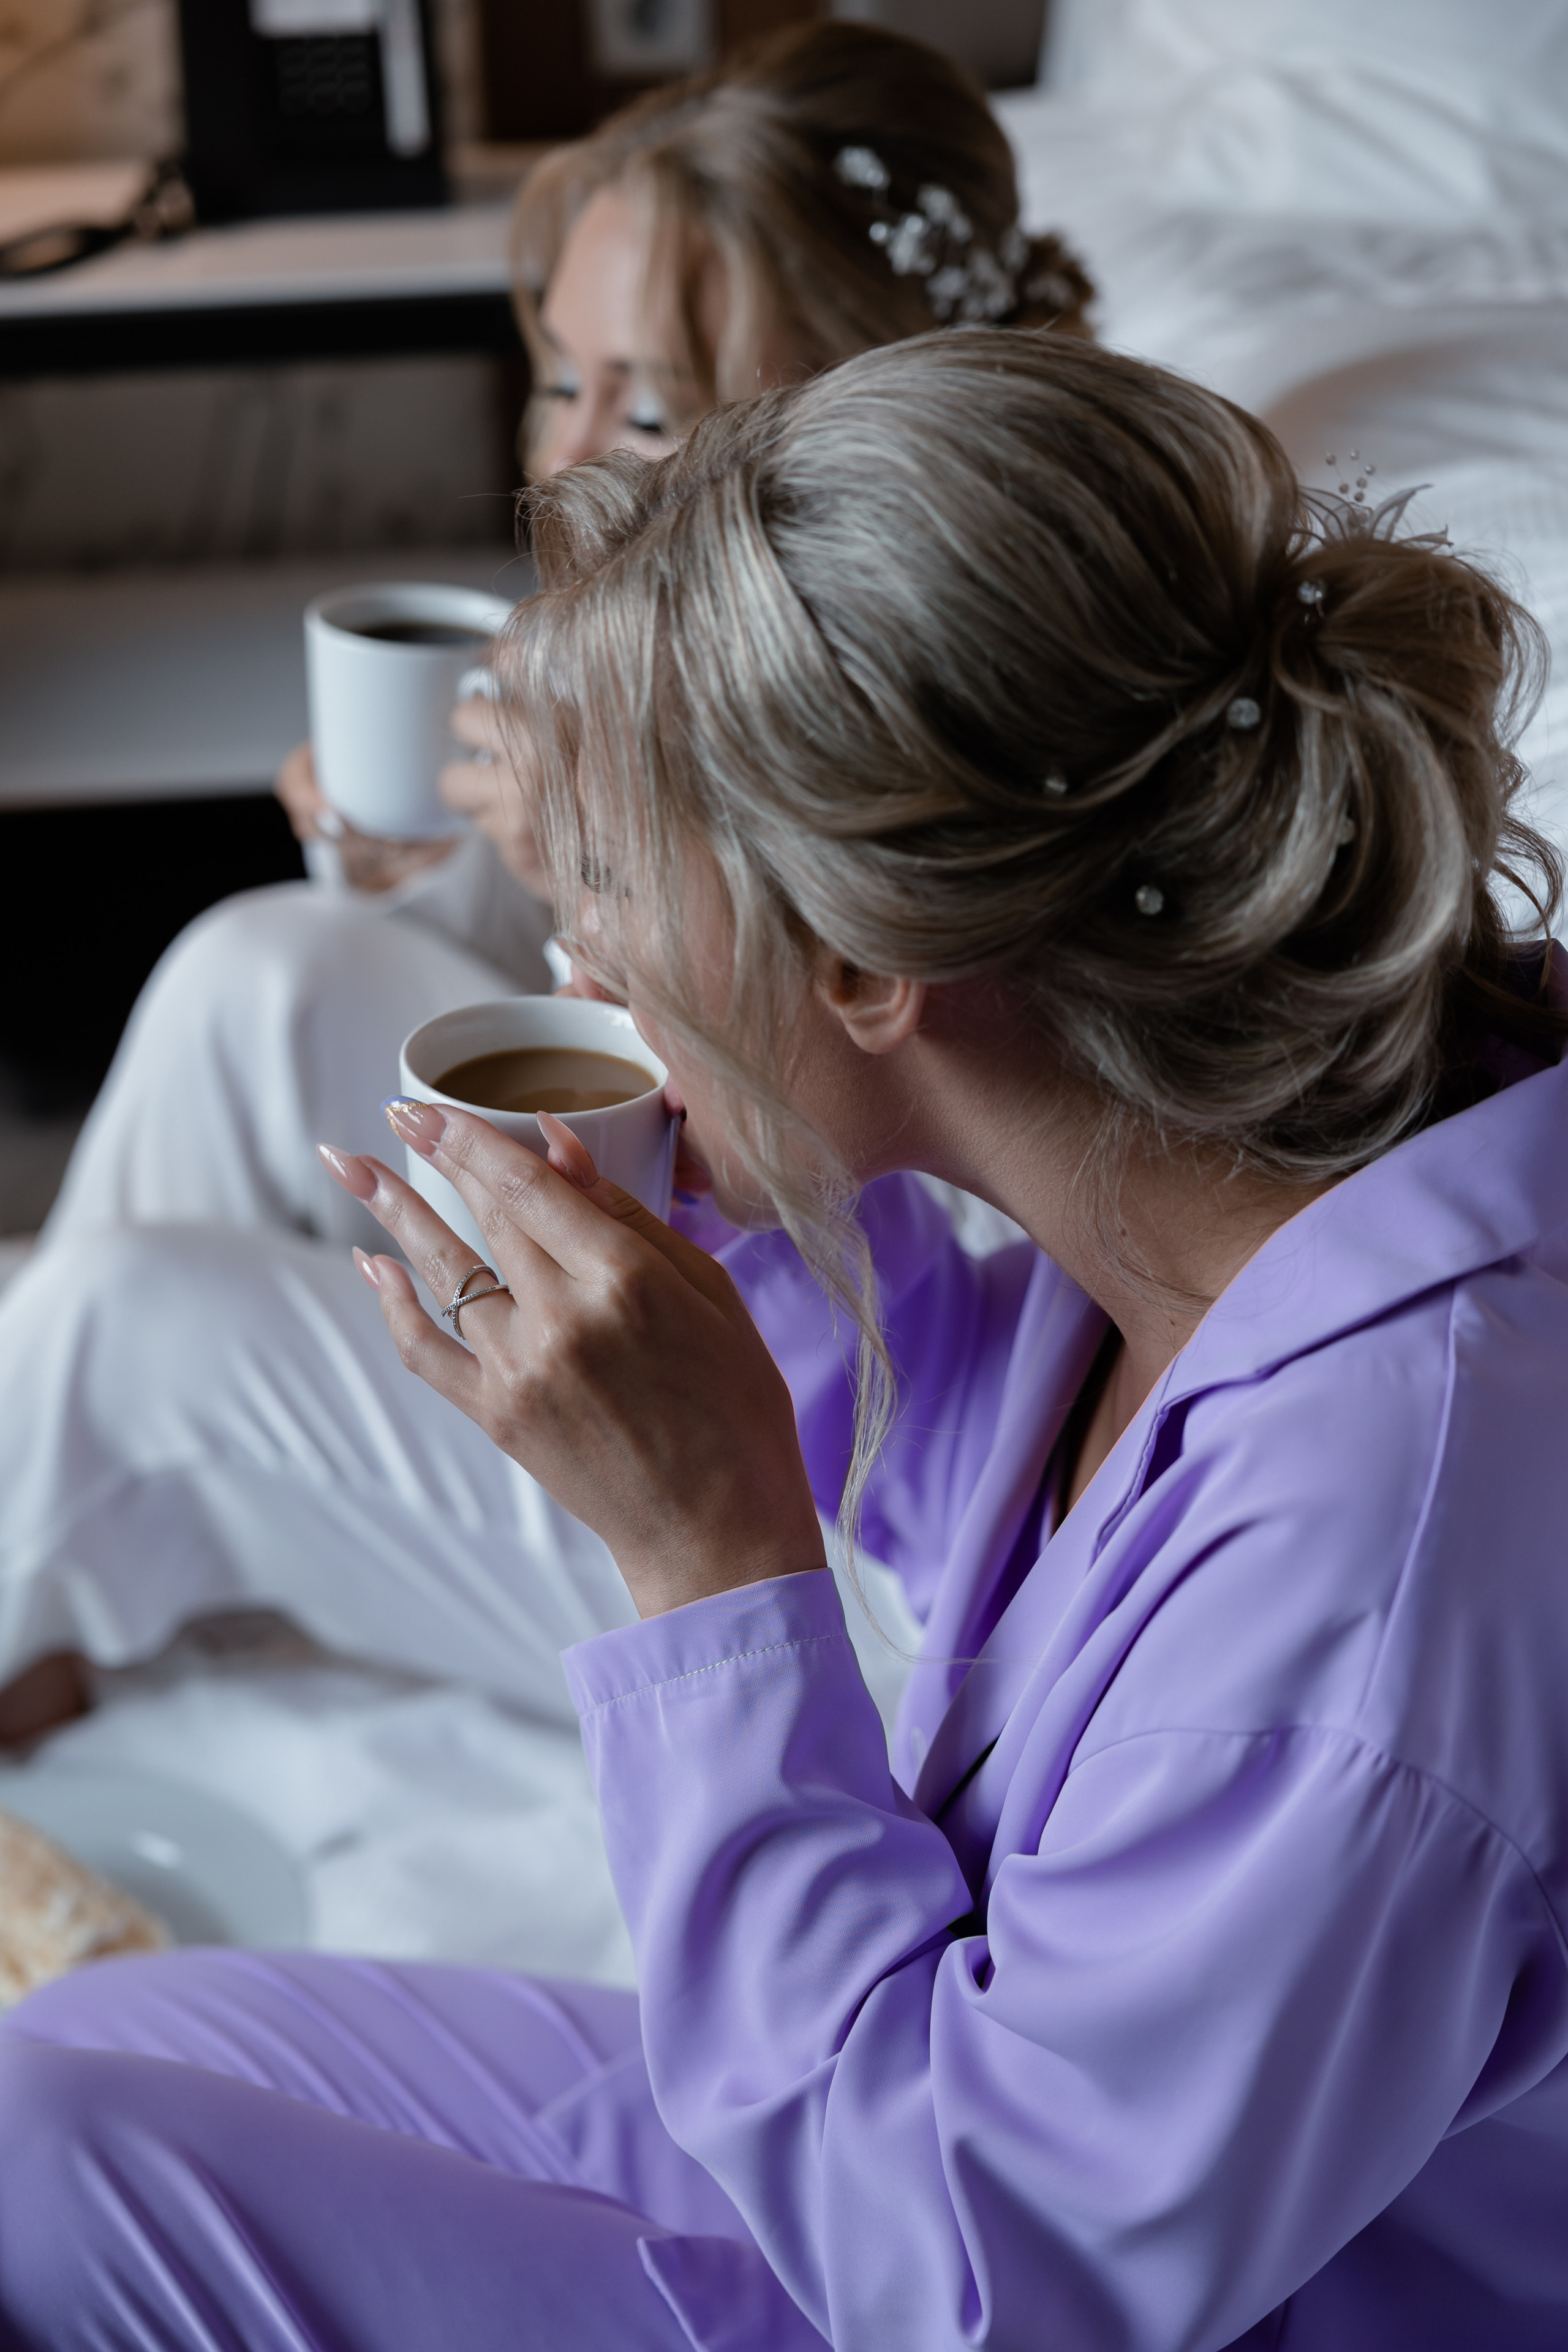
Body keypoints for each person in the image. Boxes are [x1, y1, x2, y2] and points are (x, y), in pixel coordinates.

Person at [4, 327, 1567, 2350]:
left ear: (863, 955)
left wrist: (706, 1557)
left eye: (618, 895)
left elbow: (989, 2287)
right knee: (115, 2032)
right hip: (947, 2107)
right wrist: (697, 1279)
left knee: (33, 2170)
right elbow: (993, 1516)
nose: (587, 967)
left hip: (988, 2256)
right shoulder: (1259, 1155)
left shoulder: (1379, 1577)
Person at [0, 22, 1080, 1719]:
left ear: (863, 413)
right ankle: (70, 1562)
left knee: (126, 1319)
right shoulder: (643, 637)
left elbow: (877, 1185)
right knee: (256, 971)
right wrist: (421, 878)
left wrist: (597, 876)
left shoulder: (925, 719)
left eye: (647, 406)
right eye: (559, 377)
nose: (570, 453)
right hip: (726, 1245)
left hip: (827, 1480)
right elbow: (549, 1012)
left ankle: (86, 1512)